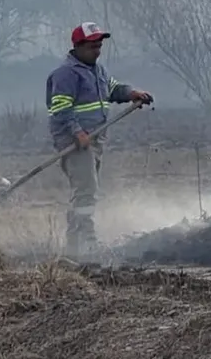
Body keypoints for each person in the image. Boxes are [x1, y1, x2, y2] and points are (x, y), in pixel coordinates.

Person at [46, 22, 154, 257]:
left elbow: (112, 89)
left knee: (84, 189)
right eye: (93, 46)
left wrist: (132, 94)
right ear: (79, 46)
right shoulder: (66, 74)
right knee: (86, 189)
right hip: (73, 141)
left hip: (94, 139)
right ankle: (88, 242)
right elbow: (61, 109)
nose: (98, 50)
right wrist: (77, 132)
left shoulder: (98, 70)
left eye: (99, 45)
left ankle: (74, 246)